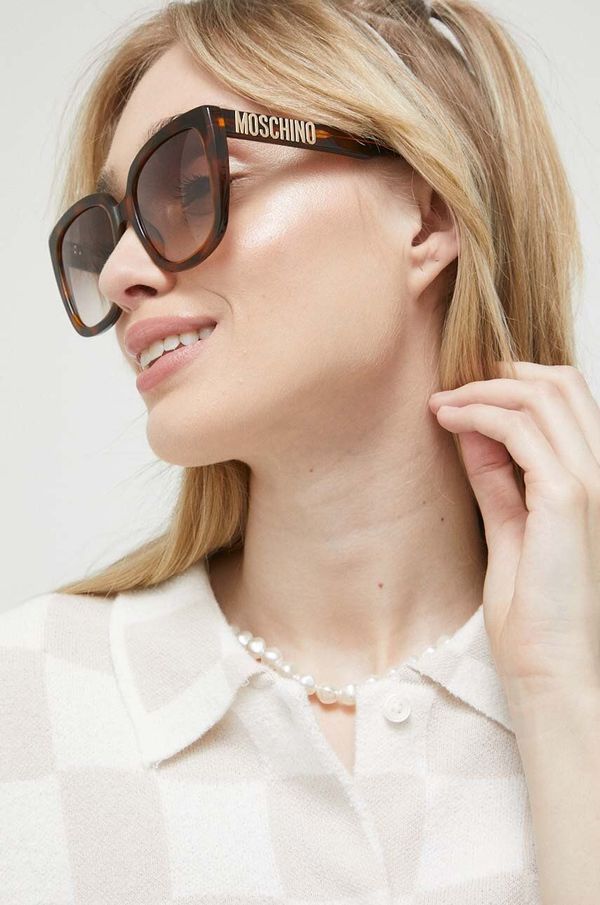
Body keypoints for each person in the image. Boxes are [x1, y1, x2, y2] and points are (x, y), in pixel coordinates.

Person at [1, 1, 585, 902]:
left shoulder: (579, 683)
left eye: (190, 185)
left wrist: (561, 697)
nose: (119, 273)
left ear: (426, 215)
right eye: (106, 230)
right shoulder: (28, 702)